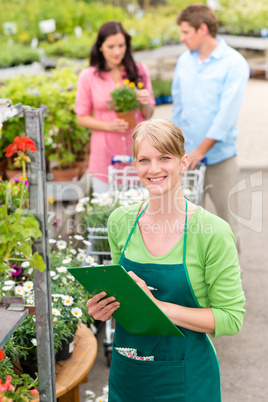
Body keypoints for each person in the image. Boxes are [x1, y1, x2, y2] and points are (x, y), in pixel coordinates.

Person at [86, 119, 245, 401]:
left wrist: (157, 307)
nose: (154, 168)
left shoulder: (212, 232)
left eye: (164, 158)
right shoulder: (121, 222)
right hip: (128, 375)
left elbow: (231, 318)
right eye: (144, 159)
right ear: (135, 165)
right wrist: (104, 308)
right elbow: (124, 299)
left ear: (183, 163)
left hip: (187, 381)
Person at [171, 3, 250, 251]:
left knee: (226, 227)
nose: (182, 38)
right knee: (187, 227)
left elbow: (225, 117)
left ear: (202, 29)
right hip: (186, 159)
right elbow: (179, 108)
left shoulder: (234, 63)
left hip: (220, 160)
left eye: (186, 32)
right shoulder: (184, 61)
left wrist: (200, 151)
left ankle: (231, 287)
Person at [74, 21, 155, 194]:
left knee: (140, 212)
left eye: (121, 45)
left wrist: (144, 102)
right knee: (105, 213)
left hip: (137, 152)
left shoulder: (139, 71)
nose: (117, 51)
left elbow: (148, 114)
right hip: (105, 156)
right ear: (100, 47)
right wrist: (108, 126)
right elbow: (81, 117)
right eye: (111, 46)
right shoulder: (88, 76)